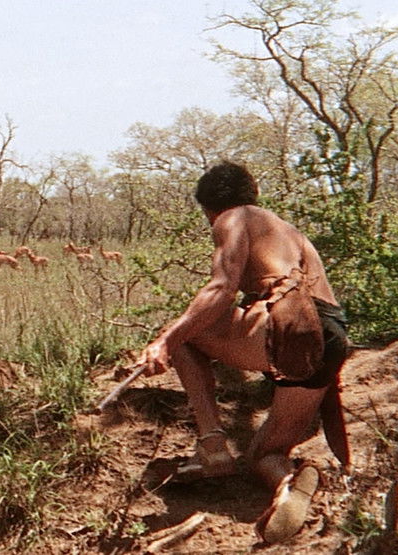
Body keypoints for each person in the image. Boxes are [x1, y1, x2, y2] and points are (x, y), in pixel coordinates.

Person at [129, 162, 351, 544]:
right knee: (263, 454)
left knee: (185, 333)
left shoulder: (232, 218)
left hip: (287, 328)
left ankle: (213, 446)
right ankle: (286, 483)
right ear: (254, 191)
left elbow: (221, 289)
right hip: (329, 340)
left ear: (209, 208)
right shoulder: (288, 229)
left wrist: (165, 340)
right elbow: (320, 312)